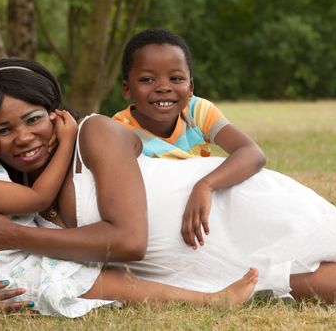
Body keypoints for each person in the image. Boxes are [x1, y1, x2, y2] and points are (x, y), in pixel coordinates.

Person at [0, 57, 336, 312]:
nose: (23, 138)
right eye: (3, 130)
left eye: (33, 120)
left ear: (55, 113)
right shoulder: (11, 191)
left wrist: (15, 235)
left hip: (226, 210)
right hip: (196, 266)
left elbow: (129, 242)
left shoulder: (94, 133)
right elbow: (9, 265)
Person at [0, 68, 259, 317]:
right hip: (21, 272)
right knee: (113, 284)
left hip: (18, 263)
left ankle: (209, 296)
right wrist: (66, 141)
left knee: (114, 278)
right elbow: (38, 201)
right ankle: (211, 301)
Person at [113, 28, 266, 249]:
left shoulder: (197, 111)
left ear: (191, 87)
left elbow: (252, 154)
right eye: (147, 79)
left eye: (176, 78)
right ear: (127, 89)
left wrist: (205, 186)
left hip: (204, 205)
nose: (163, 88)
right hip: (162, 219)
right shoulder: (119, 131)